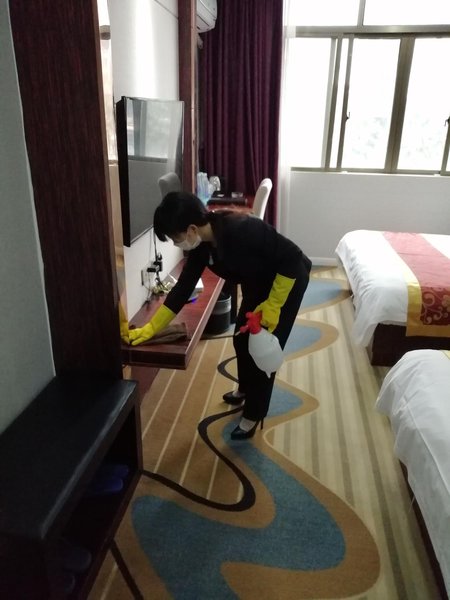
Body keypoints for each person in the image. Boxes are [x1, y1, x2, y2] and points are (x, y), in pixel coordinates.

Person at [124, 192, 312, 440]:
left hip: (286, 281)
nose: (176, 244)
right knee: (241, 340)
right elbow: (183, 288)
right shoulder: (202, 246)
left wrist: (274, 304)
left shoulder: (242, 228)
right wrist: (151, 328)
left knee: (263, 352)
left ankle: (253, 415)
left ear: (191, 229)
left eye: (175, 238)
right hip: (258, 284)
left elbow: (292, 257)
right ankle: (245, 390)